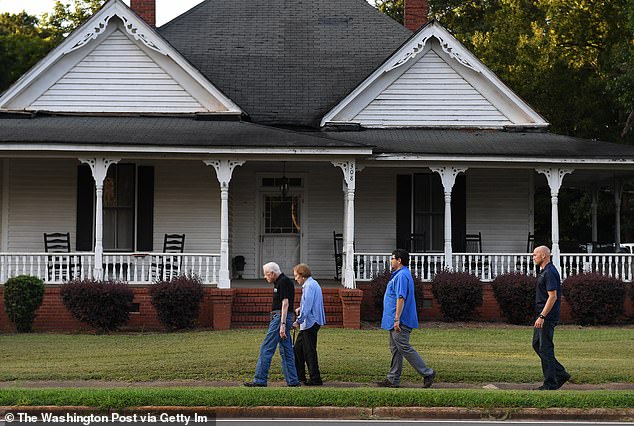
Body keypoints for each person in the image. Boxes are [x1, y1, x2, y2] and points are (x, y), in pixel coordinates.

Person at [377, 249, 435, 388]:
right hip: (394, 320)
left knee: (404, 347)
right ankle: (393, 379)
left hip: (400, 320)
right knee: (396, 349)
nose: (390, 261)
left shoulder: (402, 275)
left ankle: (427, 373)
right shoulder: (399, 275)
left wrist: (397, 319)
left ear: (399, 260)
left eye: (392, 258)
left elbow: (401, 297)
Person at [244, 262, 301, 387]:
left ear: (272, 273)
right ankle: (293, 381)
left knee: (267, 348)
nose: (265, 277)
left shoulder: (283, 282)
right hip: (281, 318)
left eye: (266, 274)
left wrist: (282, 324)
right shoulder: (279, 282)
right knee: (286, 350)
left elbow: (285, 304)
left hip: (280, 318)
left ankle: (259, 380)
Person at [532, 246, 571, 390]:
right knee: (537, 345)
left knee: (545, 348)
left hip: (547, 316)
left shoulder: (550, 272)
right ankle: (560, 373)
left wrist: (542, 316)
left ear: (543, 256)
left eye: (535, 254)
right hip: (542, 315)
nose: (533, 256)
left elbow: (553, 296)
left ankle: (550, 383)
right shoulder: (544, 272)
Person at [291, 263, 326, 386]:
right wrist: (300, 308)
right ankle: (300, 376)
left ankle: (315, 378)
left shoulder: (309, 286)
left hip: (310, 322)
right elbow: (308, 304)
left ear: (302, 275)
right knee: (298, 350)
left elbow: (307, 306)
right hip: (312, 321)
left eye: (296, 276)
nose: (295, 278)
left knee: (309, 351)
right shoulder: (312, 283)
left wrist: (298, 321)